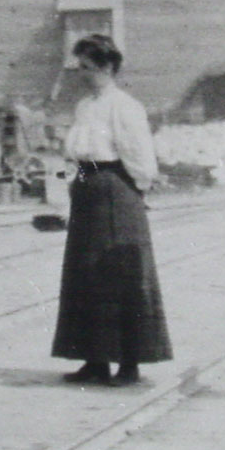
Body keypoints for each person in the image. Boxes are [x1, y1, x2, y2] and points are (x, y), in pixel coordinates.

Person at [51, 33, 173, 385]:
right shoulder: (85, 106)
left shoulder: (124, 106)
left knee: (120, 275)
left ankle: (129, 362)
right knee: (87, 274)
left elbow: (139, 158)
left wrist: (135, 190)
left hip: (116, 190)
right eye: (79, 67)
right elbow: (76, 152)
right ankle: (95, 359)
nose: (81, 74)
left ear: (107, 67)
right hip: (88, 190)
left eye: (87, 67)